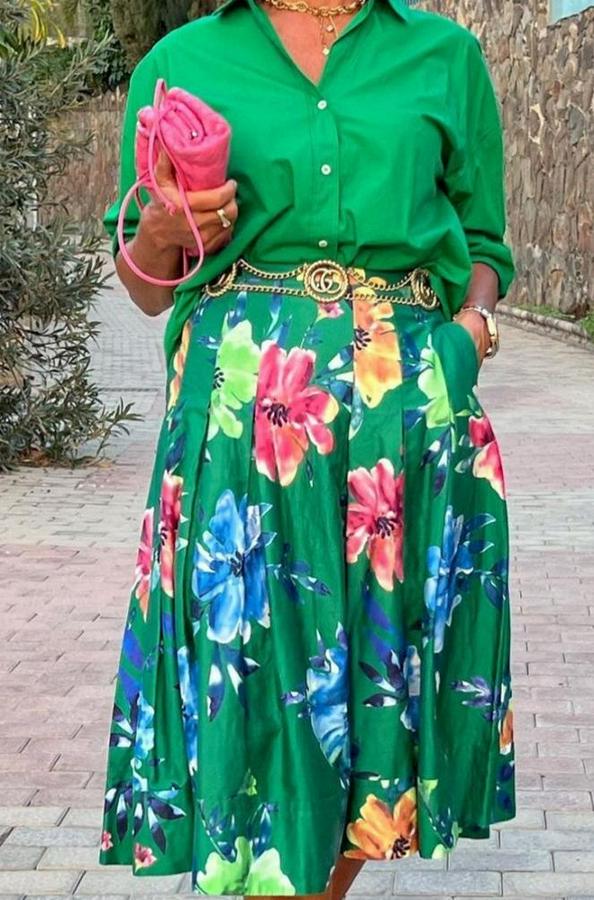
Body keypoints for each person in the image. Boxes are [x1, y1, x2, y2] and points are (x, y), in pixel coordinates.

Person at [98, 0, 517, 895]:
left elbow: (484, 240)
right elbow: (146, 284)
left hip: (403, 419)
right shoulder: (182, 63)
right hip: (244, 427)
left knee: (378, 688)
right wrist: (165, 231)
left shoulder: (446, 56)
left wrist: (470, 334)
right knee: (252, 680)